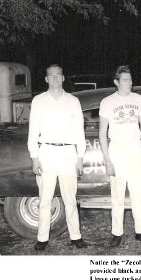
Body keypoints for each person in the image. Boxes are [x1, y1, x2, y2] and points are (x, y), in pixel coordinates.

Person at [27, 64, 87, 251]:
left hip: (68, 153)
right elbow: (32, 132)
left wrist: (80, 157)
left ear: (63, 78)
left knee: (70, 198)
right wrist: (34, 157)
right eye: (50, 75)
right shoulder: (38, 101)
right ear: (46, 79)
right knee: (45, 199)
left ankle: (75, 236)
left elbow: (79, 132)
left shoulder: (73, 101)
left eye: (58, 75)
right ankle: (42, 238)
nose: (54, 78)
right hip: (46, 153)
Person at [99, 65, 141, 247]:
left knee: (138, 192)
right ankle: (117, 233)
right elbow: (102, 132)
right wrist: (107, 159)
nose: (129, 83)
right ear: (116, 82)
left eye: (130, 79)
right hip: (118, 149)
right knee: (118, 195)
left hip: (135, 148)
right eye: (125, 80)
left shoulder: (138, 99)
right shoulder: (107, 102)